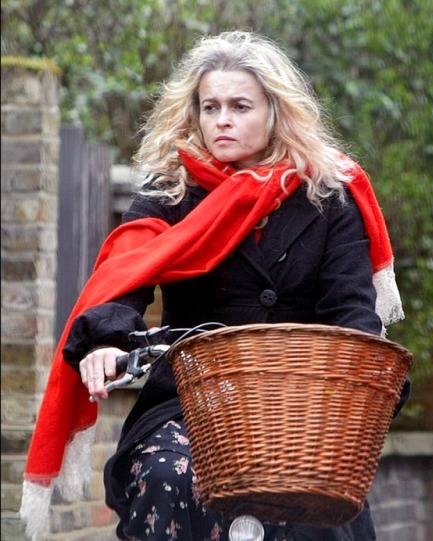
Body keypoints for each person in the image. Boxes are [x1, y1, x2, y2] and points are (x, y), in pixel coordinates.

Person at [20, 30, 410, 541]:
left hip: (298, 402)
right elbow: (122, 277)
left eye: (240, 106)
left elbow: (352, 310)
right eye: (210, 106)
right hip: (192, 398)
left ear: (275, 112)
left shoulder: (329, 195)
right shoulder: (170, 191)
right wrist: (108, 341)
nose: (221, 119)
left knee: (308, 503)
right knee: (168, 476)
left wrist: (359, 376)